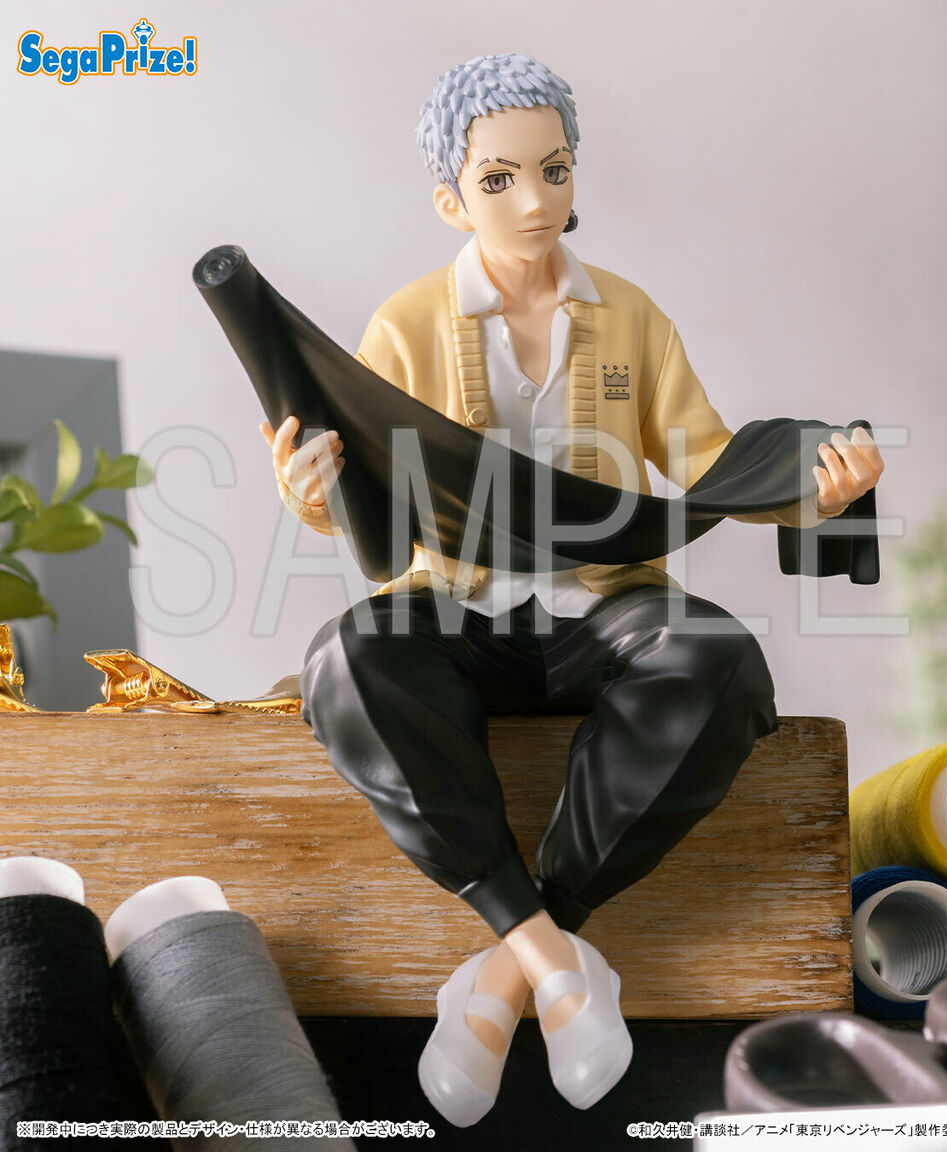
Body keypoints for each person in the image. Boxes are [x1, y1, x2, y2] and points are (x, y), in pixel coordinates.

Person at [260, 52, 883, 1127]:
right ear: (451, 198)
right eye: (498, 179)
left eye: (553, 169)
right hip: (457, 608)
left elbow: (705, 460)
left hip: (609, 607)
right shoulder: (404, 324)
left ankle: (507, 973)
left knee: (718, 660)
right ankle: (555, 962)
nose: (534, 200)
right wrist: (308, 491)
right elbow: (366, 497)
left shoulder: (629, 317)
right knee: (349, 658)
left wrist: (816, 483)